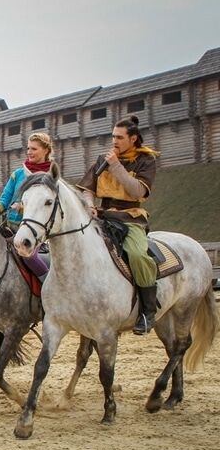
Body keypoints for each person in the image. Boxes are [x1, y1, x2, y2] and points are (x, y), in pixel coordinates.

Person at [77, 115, 160, 334]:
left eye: (120, 138)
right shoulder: (102, 160)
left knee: (137, 255)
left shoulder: (146, 160)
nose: (114, 141)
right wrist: (89, 205)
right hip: (102, 216)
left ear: (133, 139)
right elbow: (87, 189)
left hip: (130, 217)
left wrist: (116, 166)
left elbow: (138, 191)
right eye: (113, 136)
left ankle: (148, 311)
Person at [0, 132, 54, 279]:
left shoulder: (50, 176)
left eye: (34, 149)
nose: (29, 152)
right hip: (10, 228)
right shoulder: (18, 174)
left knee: (28, 257)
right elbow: (5, 197)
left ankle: (47, 285)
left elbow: (48, 206)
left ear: (46, 150)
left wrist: (23, 207)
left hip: (37, 231)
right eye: (28, 148)